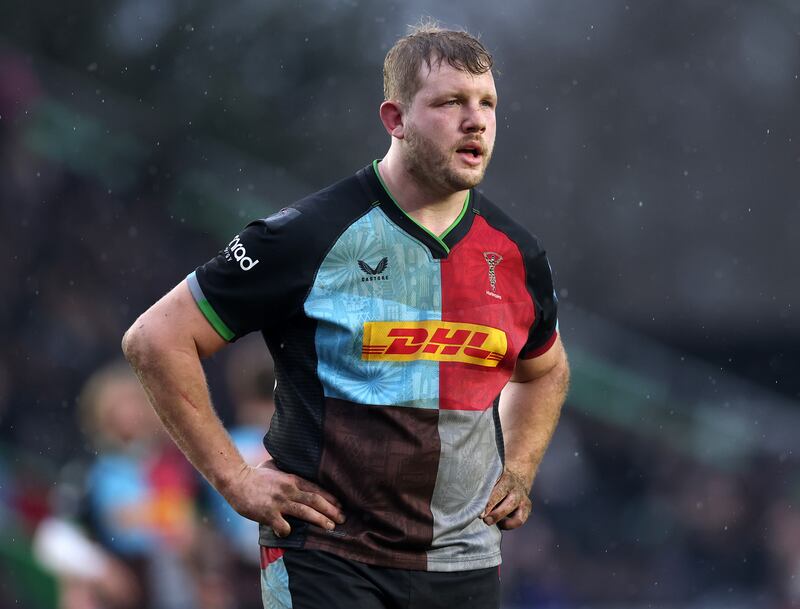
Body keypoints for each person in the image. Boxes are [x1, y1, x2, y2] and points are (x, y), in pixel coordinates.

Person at [122, 22, 569, 609]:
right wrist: (235, 479)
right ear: (395, 119)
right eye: (450, 102)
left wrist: (521, 469)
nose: (475, 120)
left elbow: (546, 371)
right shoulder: (307, 234)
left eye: (487, 103)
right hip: (327, 557)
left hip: (463, 563)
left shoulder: (517, 254)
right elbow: (156, 338)